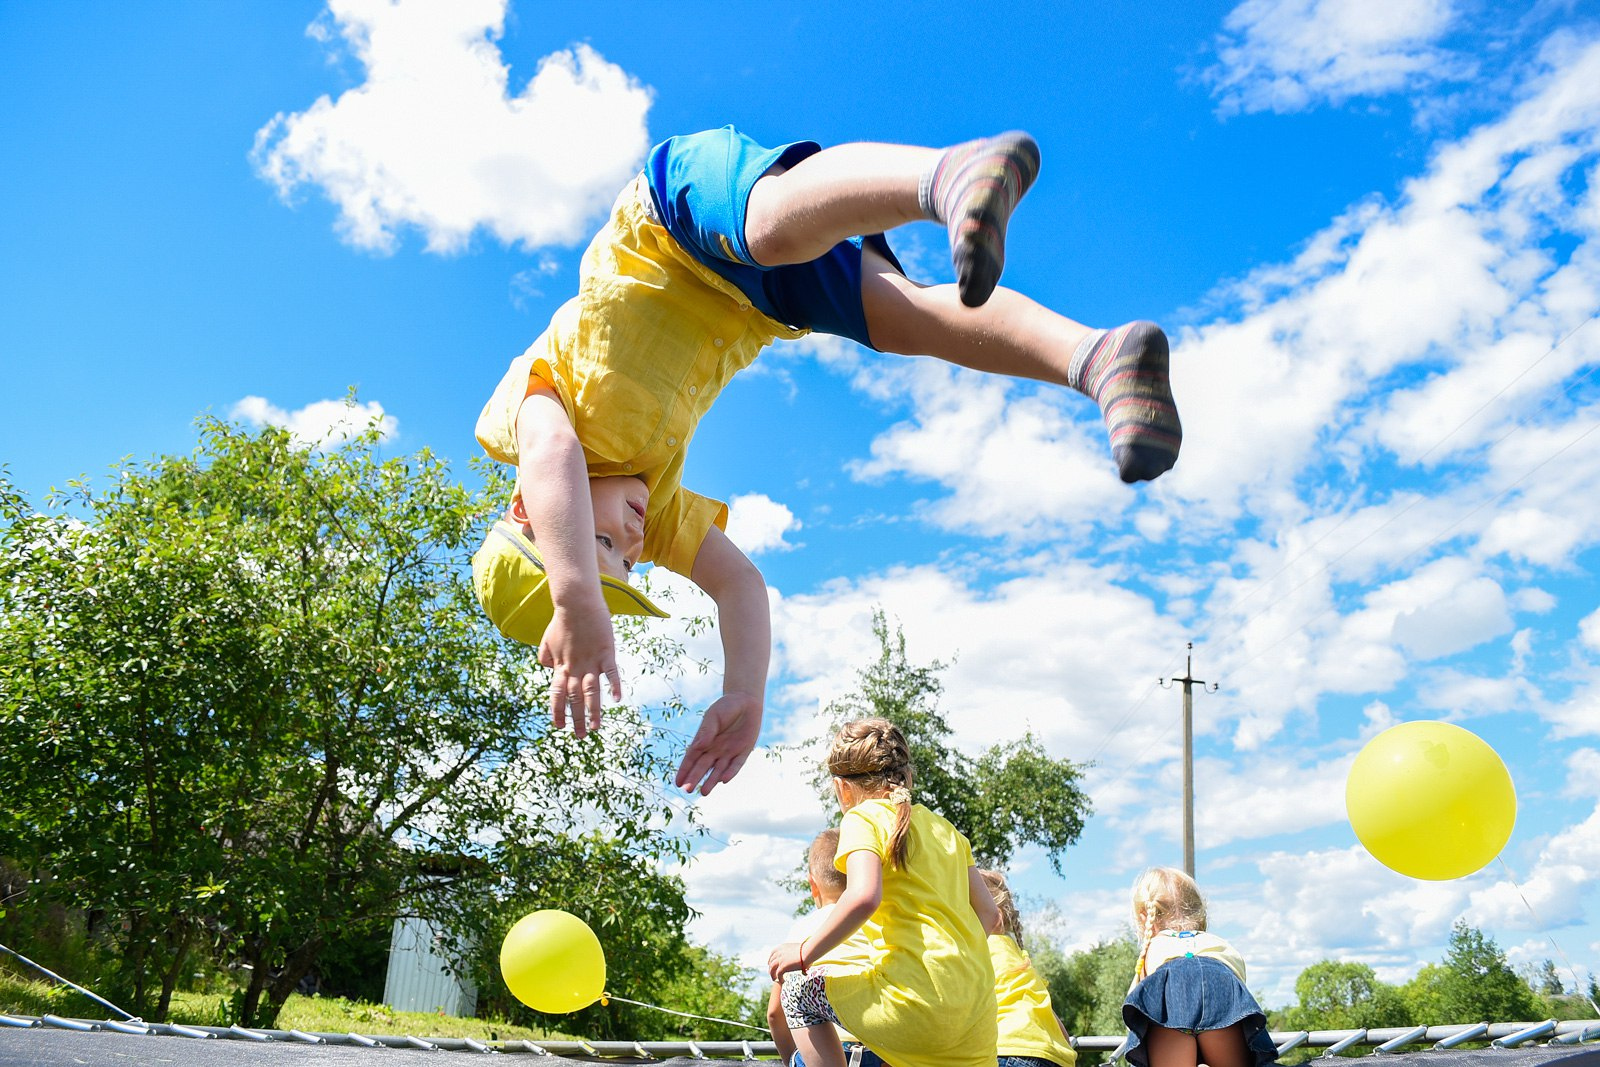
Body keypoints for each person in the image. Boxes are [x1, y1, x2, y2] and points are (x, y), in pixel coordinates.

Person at [472, 125, 1183, 794]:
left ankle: (943, 176)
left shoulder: (531, 421)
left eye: (599, 545)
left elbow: (552, 455)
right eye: (625, 567)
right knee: (908, 318)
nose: (631, 547)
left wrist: (577, 598)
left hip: (671, 223)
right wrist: (745, 691)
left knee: (770, 224)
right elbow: (740, 584)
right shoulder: (652, 515)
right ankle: (1098, 358)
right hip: (757, 303)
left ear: (526, 508)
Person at [766, 718, 1003, 1067]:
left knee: (797, 994)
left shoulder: (864, 818)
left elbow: (863, 896)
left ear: (842, 789)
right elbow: (991, 917)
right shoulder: (947, 830)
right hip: (975, 1018)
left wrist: (804, 952)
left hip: (913, 1005)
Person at [1121, 867, 1278, 1067]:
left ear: (1144, 917)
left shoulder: (1152, 949)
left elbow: (1137, 1005)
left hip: (1170, 1002)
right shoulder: (1220, 944)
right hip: (1222, 998)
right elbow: (1239, 989)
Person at [766, 828, 879, 1067]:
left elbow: (775, 1014)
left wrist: (792, 1059)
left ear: (813, 885)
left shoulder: (801, 931)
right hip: (881, 1051)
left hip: (823, 1053)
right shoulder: (880, 923)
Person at [981, 868, 1078, 1067]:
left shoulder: (978, 949)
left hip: (1007, 1050)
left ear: (995, 916)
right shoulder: (1020, 960)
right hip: (1054, 1057)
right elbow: (1063, 1035)